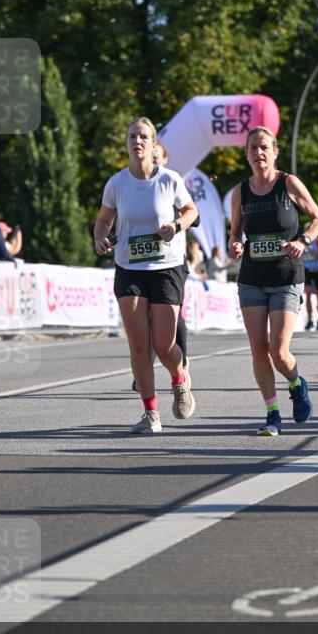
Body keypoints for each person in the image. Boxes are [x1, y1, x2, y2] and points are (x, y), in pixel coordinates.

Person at [94, 117, 199, 434]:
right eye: (132, 137)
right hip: (129, 269)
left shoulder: (169, 179)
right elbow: (103, 220)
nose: (137, 142)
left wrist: (176, 226)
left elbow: (191, 211)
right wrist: (100, 237)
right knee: (139, 347)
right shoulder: (116, 183)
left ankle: (180, 379)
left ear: (154, 145)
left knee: (164, 345)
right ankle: (151, 414)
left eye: (143, 137)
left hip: (166, 268)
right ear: (126, 143)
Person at [228, 125, 318, 436]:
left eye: (264, 148)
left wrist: (304, 240)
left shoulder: (288, 183)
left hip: (286, 275)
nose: (258, 153)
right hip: (252, 277)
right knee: (258, 348)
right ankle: (272, 412)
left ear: (275, 152)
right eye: (252, 148)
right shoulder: (239, 192)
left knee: (278, 351)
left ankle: (297, 384)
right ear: (246, 154)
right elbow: (235, 233)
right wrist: (234, 244)